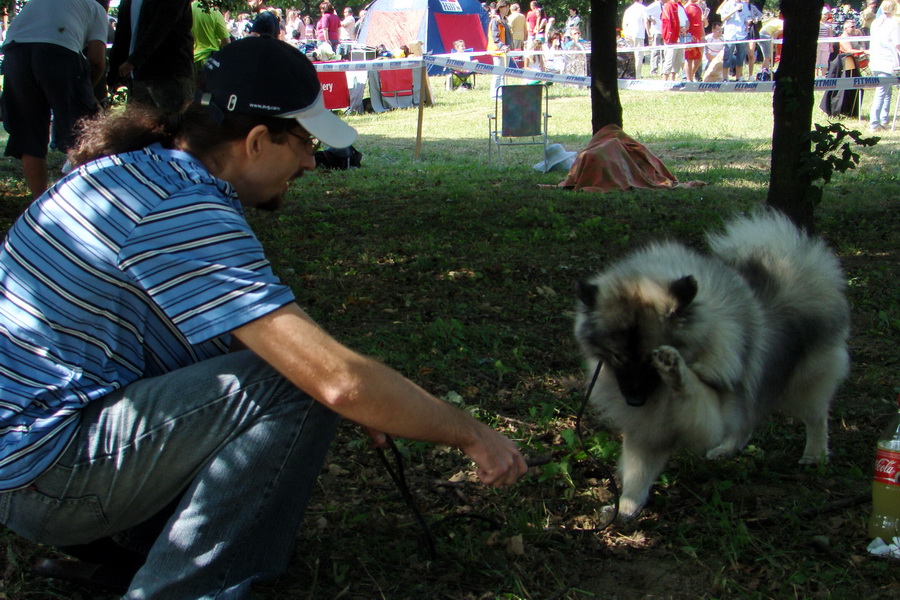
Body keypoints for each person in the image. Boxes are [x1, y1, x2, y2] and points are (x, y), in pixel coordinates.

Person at [0, 36, 529, 599]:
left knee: (289, 373)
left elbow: (223, 346)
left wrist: (378, 398)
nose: (309, 161)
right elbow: (336, 380)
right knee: (295, 385)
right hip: (48, 476)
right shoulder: (183, 207)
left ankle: (137, 555)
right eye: (303, 142)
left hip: (28, 457)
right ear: (256, 140)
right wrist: (469, 432)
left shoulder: (133, 174)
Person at [1, 0, 108, 200]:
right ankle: (85, 199)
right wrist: (88, 92)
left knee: (29, 134)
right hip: (59, 50)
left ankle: (39, 203)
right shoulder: (95, 8)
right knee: (84, 132)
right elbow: (96, 60)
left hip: (14, 52)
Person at [109, 0, 194, 113]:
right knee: (140, 128)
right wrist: (113, 75)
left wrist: (133, 61)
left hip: (170, 74)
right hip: (140, 75)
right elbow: (122, 34)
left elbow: (161, 25)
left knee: (176, 125)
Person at [868, 1, 900, 131]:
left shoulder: (876, 22)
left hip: (875, 61)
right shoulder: (893, 24)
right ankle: (874, 123)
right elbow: (898, 45)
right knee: (881, 93)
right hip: (887, 62)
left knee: (887, 92)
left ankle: (884, 120)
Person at [191, 0, 231, 82]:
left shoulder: (189, 9)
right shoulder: (214, 11)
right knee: (209, 92)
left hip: (191, 60)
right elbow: (226, 43)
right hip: (209, 60)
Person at [718, 0, 755, 81]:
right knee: (727, 56)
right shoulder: (728, 4)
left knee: (741, 57)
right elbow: (723, 18)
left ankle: (738, 78)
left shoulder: (744, 5)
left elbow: (747, 18)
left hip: (741, 34)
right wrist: (734, 10)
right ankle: (725, 78)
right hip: (730, 34)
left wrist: (748, 23)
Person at [487, 0, 512, 100]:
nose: (507, 9)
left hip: (506, 50)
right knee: (497, 74)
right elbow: (495, 37)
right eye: (506, 7)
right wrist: (502, 46)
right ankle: (494, 95)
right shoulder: (495, 20)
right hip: (498, 50)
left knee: (504, 74)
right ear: (500, 8)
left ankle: (502, 93)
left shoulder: (505, 20)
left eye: (508, 7)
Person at [622, 0, 649, 79]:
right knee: (639, 55)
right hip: (639, 34)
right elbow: (646, 21)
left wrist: (625, 33)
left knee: (631, 55)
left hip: (629, 34)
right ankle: (637, 74)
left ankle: (629, 72)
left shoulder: (628, 10)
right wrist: (648, 33)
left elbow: (624, 23)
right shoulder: (643, 8)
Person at [683, 0, 707, 82]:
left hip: (699, 37)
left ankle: (691, 75)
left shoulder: (699, 7)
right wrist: (687, 35)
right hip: (690, 37)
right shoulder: (686, 8)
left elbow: (701, 23)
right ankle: (689, 79)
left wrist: (703, 36)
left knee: (699, 58)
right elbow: (684, 23)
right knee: (689, 58)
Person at [645, 0, 664, 75]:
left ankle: (663, 70)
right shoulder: (655, 5)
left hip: (664, 31)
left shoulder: (665, 5)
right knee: (655, 51)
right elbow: (645, 11)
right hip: (656, 31)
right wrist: (651, 19)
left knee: (664, 52)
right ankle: (654, 70)